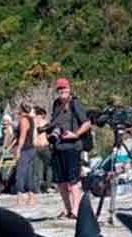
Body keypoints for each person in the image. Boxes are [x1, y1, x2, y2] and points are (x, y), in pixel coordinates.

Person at [50, 78, 91, 218]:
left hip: (72, 146)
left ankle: (76, 210)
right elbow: (54, 122)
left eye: (64, 88)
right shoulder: (55, 104)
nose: (62, 91)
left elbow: (86, 123)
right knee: (61, 182)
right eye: (59, 88)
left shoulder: (75, 103)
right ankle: (68, 209)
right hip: (57, 146)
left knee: (73, 180)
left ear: (69, 88)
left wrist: (75, 134)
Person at [32, 106, 52, 193]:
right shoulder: (44, 122)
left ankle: (40, 187)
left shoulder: (32, 123)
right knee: (46, 168)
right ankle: (45, 187)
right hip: (42, 146)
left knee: (39, 168)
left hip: (38, 147)